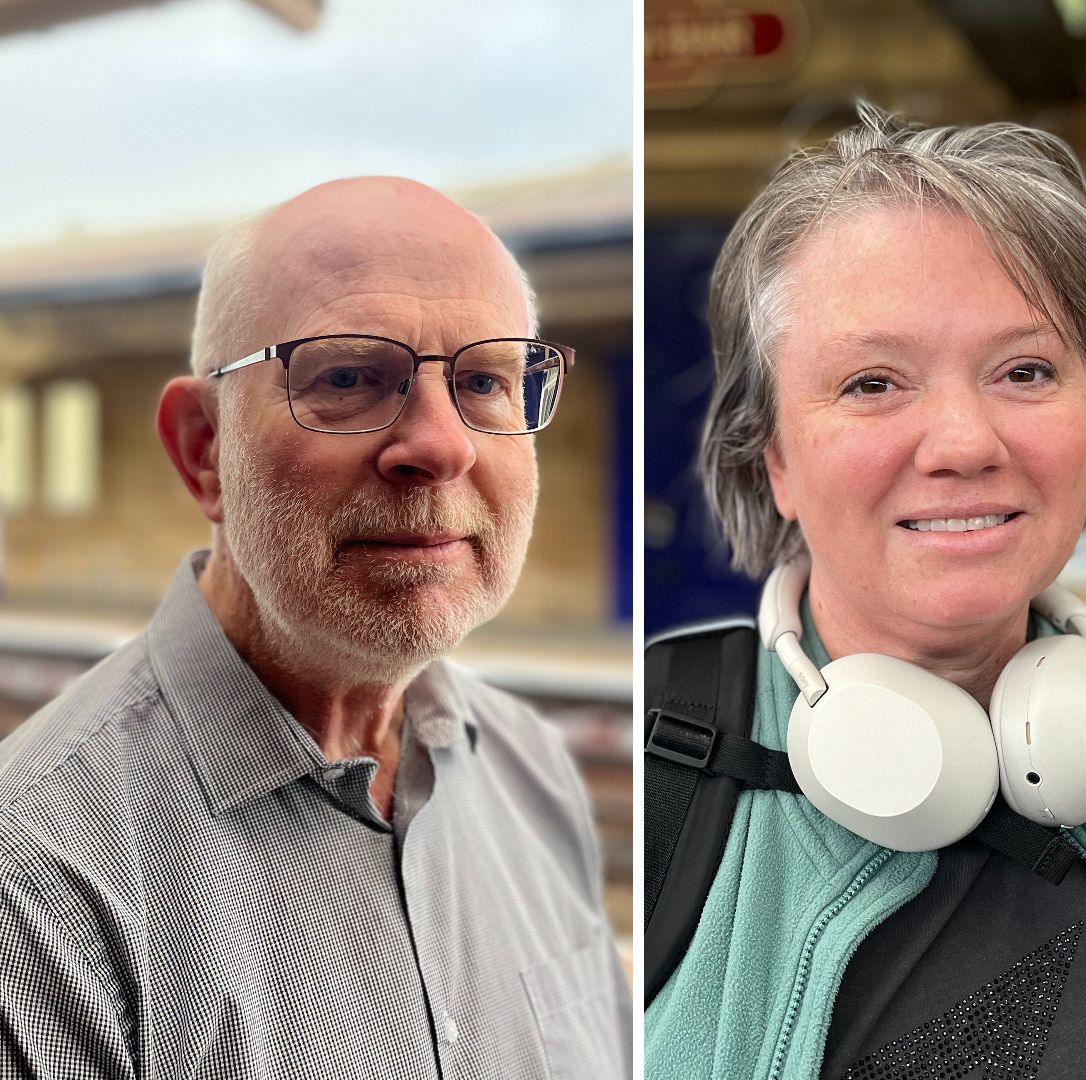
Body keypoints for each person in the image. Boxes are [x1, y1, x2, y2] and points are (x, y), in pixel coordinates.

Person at [642, 105, 1086, 1080]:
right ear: (773, 458)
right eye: (872, 383)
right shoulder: (663, 770)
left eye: (1025, 370)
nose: (966, 443)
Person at [0, 178, 629, 1078]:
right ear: (203, 449)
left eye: (486, 381)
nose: (443, 446)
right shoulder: (35, 891)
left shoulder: (532, 768)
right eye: (347, 378)